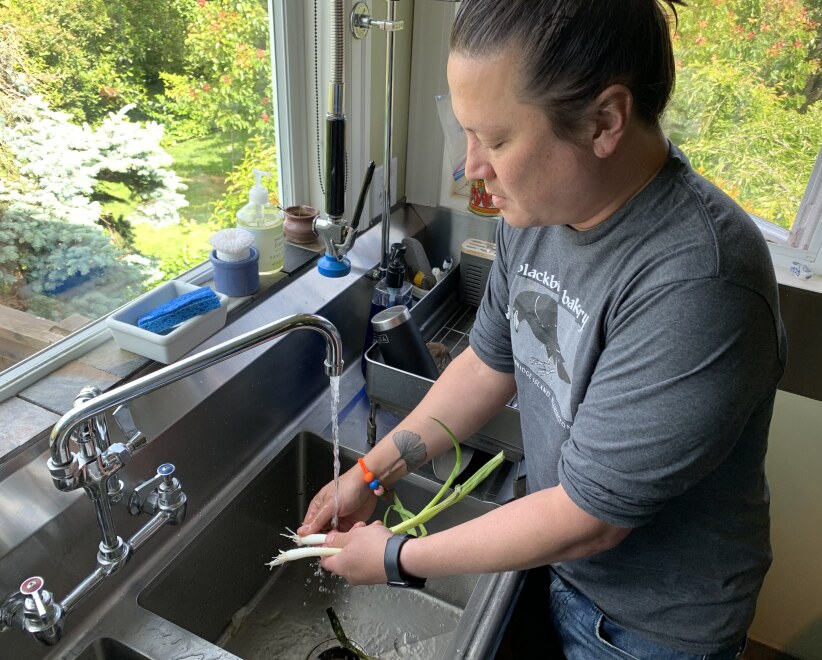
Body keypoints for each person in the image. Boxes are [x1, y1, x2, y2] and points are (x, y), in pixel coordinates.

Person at [298, 1, 788, 657]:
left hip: (649, 626)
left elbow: (588, 520)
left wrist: (394, 557)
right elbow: (487, 364)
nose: (471, 167)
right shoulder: (539, 213)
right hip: (561, 566)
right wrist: (372, 473)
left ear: (603, 121)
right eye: (466, 133)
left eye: (495, 140)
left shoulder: (702, 283)